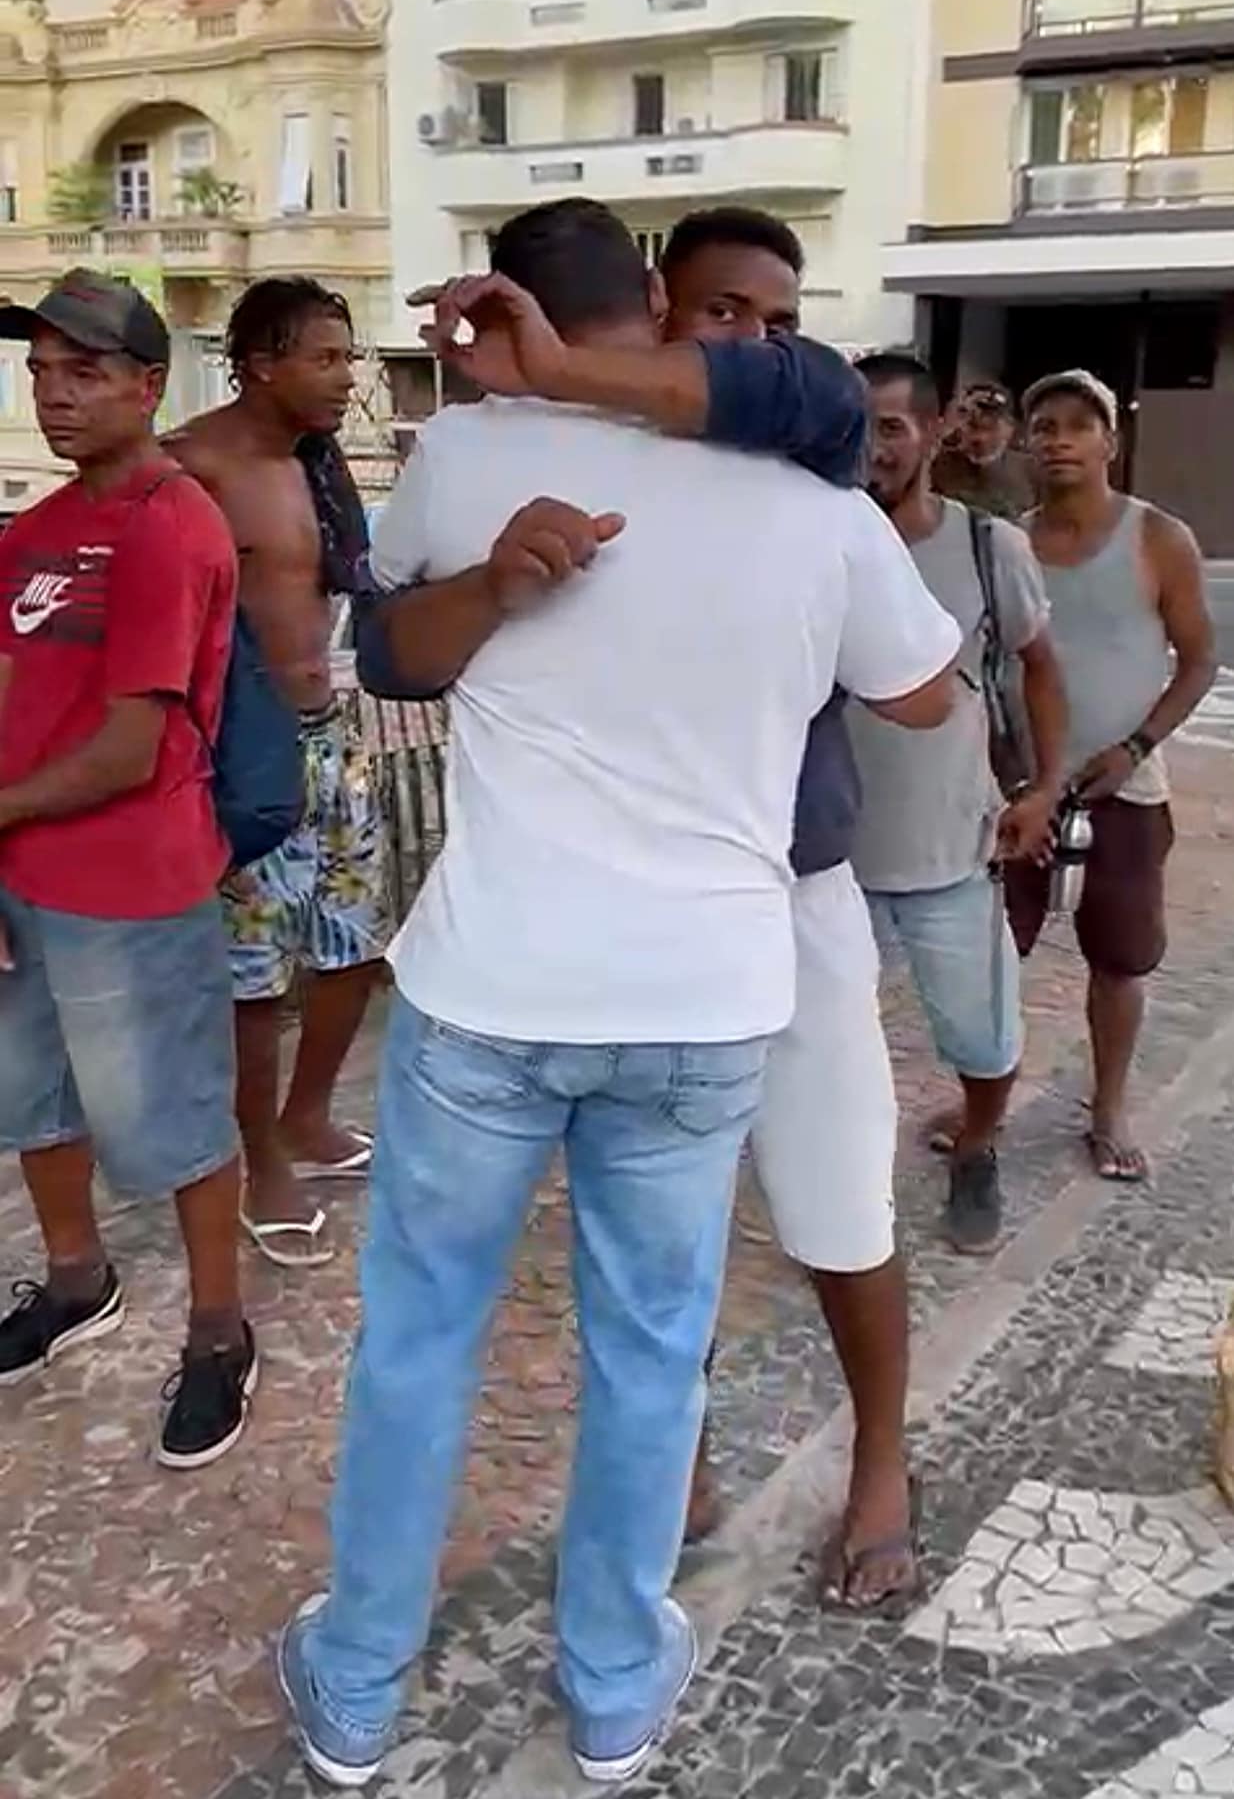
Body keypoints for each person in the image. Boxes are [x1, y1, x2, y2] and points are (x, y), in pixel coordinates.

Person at [277, 201, 959, 1791]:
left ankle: (360, 1686)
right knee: (649, 1350)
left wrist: (516, 584)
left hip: (493, 987)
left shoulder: (468, 454)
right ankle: (609, 1691)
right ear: (668, 303)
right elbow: (922, 693)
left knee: (420, 1343)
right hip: (707, 993)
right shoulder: (818, 498)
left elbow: (395, 660)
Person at [646, 207, 939, 1604]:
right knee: (664, 1214)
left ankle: (881, 1457)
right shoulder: (617, 478)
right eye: (720, 315)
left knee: (837, 1201)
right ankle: (676, 1439)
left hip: (796, 890)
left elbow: (922, 690)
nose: (754, 345)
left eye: (777, 319)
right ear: (658, 314)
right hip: (646, 905)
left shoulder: (821, 505)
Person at [0, 270, 255, 1468]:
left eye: (83, 371)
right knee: (29, 1096)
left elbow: (128, 745)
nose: (54, 394)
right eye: (41, 370)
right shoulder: (36, 531)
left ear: (149, 386)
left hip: (129, 876)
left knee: (172, 1117)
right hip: (19, 866)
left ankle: (217, 1328)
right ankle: (74, 1277)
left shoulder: (169, 522)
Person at [168, 280, 390, 1268]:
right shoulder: (193, 468)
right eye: (327, 357)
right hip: (241, 751)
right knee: (252, 978)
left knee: (353, 943)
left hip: (333, 729)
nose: (348, 378)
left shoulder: (318, 464)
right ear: (260, 360)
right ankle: (260, 1157)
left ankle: (307, 1115)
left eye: (351, 357)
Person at [848, 351, 1068, 1255]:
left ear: (935, 433)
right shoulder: (813, 539)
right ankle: (845, 1189)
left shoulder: (989, 546)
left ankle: (977, 1147)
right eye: (857, 426)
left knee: (980, 1033)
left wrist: (1045, 790)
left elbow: (1040, 667)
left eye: (892, 426)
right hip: (825, 863)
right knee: (822, 1046)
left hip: (952, 845)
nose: (872, 448)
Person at [1004, 370, 1215, 1181]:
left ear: (1109, 443)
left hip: (1124, 789)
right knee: (994, 953)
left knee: (1120, 959)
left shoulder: (1159, 538)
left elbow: (1198, 662)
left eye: (1075, 426)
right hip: (1023, 789)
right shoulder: (1010, 545)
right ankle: (985, 1101)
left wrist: (1135, 746)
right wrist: (1015, 768)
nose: (1056, 439)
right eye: (1043, 425)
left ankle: (1109, 1108)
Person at [933, 381, 1035, 520]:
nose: (980, 438)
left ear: (1010, 428)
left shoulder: (1031, 470)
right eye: (972, 427)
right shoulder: (936, 466)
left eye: (990, 428)